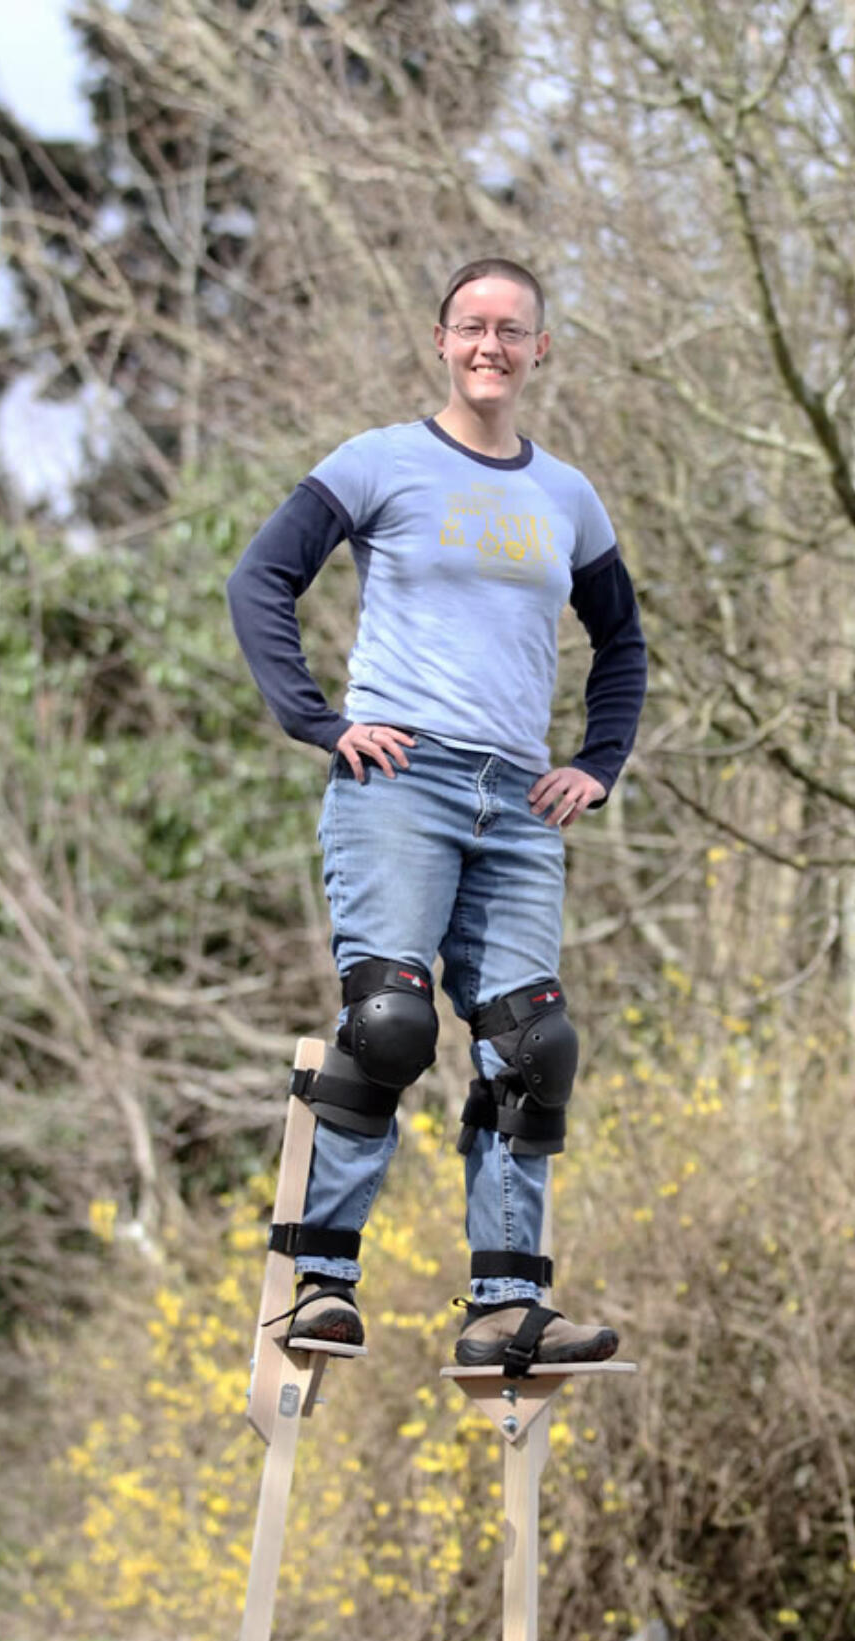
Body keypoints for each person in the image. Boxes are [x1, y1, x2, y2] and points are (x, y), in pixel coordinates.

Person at [227, 257, 647, 1373]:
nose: (490, 347)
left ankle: (507, 1304)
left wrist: (597, 760)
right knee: (392, 1024)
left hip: (516, 801)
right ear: (440, 338)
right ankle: (322, 1280)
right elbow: (258, 579)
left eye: (512, 331)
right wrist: (317, 722)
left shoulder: (567, 496)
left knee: (531, 1044)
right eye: (472, 327)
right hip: (399, 781)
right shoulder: (378, 463)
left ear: (539, 348)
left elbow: (623, 645)